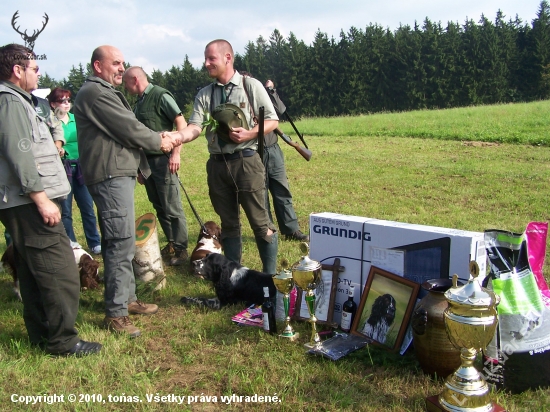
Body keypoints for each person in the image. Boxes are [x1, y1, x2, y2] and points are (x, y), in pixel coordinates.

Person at [0, 43, 101, 356]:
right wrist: (41, 199)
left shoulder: (17, 101)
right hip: (28, 202)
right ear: (17, 71)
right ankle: (62, 341)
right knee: (59, 272)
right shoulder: (10, 102)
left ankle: (42, 336)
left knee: (31, 271)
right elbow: (20, 153)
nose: (38, 72)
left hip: (21, 201)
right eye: (33, 67)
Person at [73, 45, 180, 337]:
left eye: (123, 63)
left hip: (115, 174)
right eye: (115, 63)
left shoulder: (103, 91)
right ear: (97, 66)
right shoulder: (96, 94)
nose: (122, 68)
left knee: (123, 238)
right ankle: (116, 313)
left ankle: (127, 300)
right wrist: (160, 141)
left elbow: (128, 127)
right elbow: (129, 128)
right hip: (109, 176)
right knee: (120, 242)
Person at [165, 39, 279, 274]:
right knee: (228, 226)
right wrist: (178, 137)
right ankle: (234, 276)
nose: (206, 64)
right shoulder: (205, 94)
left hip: (246, 163)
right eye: (205, 59)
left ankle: (270, 278)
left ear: (228, 58)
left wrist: (249, 133)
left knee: (260, 224)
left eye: (211, 59)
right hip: (217, 166)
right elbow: (195, 126)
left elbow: (273, 119)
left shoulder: (251, 86)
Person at [122, 67, 189, 266]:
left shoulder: (160, 95)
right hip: (146, 163)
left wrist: (176, 153)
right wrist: (139, 169)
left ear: (135, 79)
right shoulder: (138, 104)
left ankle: (181, 248)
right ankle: (171, 243)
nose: (124, 87)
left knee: (172, 206)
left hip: (163, 160)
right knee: (159, 205)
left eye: (126, 82)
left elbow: (181, 122)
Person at [47, 87, 102, 254]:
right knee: (66, 211)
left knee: (87, 207)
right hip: (61, 170)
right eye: (62, 101)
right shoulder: (49, 123)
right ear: (52, 104)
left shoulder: (76, 119)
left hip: (80, 168)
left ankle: (94, 241)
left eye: (68, 100)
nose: (66, 104)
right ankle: (71, 243)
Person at [262, 78, 308, 242]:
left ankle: (291, 230)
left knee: (282, 191)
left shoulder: (263, 96)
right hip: (254, 152)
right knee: (261, 195)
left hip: (273, 149)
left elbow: (280, 110)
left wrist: (271, 91)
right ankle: (268, 232)